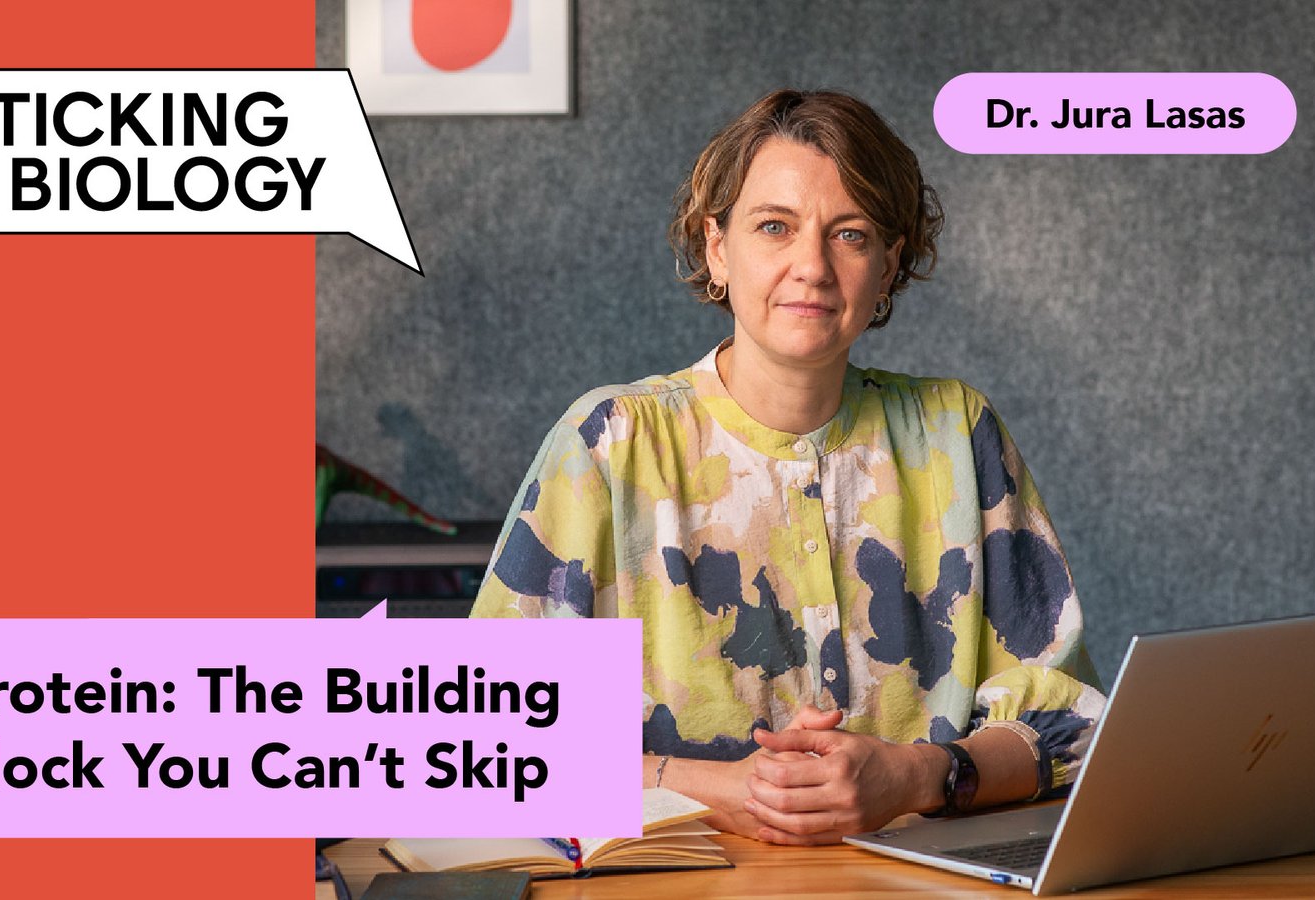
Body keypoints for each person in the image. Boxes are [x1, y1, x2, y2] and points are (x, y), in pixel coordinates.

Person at [470, 89, 1105, 845]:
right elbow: (487, 745)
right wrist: (711, 789)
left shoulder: (957, 434)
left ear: (889, 263)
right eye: (775, 227)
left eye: (851, 234)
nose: (812, 266)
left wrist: (916, 774)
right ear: (716, 248)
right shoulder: (610, 443)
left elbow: (1071, 723)